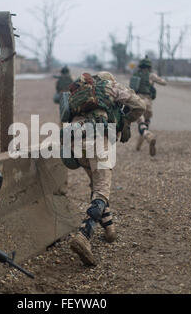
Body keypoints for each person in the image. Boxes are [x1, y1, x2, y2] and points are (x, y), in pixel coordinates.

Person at [63, 72, 146, 266]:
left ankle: (109, 229)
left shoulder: (81, 89)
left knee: (96, 184)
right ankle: (84, 235)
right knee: (102, 191)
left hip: (75, 140)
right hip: (98, 138)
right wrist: (125, 121)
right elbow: (140, 106)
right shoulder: (112, 87)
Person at [129, 56, 166, 156]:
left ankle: (145, 139)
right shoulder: (151, 75)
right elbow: (164, 82)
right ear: (149, 67)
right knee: (146, 123)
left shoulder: (136, 75)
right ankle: (141, 144)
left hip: (137, 101)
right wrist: (153, 80)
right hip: (147, 101)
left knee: (141, 124)